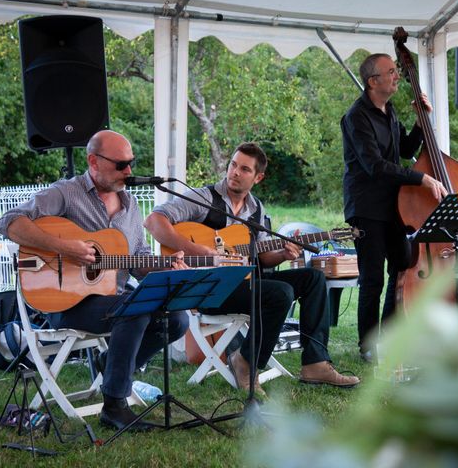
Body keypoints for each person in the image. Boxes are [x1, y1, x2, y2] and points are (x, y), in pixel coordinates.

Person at [0, 130, 189, 431]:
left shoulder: (130, 204)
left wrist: (164, 265)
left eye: (131, 163)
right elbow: (8, 221)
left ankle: (110, 364)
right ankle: (114, 406)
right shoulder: (65, 193)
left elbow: (137, 260)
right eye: (120, 164)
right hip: (66, 303)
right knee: (135, 307)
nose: (128, 171)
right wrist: (63, 247)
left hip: (115, 298)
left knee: (177, 319)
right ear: (93, 161)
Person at [145, 142, 360, 395]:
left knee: (313, 277)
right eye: (233, 165)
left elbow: (261, 257)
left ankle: (315, 362)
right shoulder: (204, 198)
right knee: (279, 293)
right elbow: (153, 221)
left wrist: (282, 253)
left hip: (242, 283)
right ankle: (245, 361)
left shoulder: (256, 210)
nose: (235, 172)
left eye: (244, 169)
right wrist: (197, 250)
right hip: (208, 287)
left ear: (258, 177)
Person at [341, 53, 448, 363]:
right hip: (366, 206)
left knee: (402, 264)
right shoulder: (356, 117)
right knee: (372, 278)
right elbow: (375, 165)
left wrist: (419, 123)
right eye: (390, 72)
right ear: (373, 81)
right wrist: (422, 178)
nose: (397, 76)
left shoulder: (389, 111)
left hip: (393, 205)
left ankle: (388, 333)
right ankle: (368, 345)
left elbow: (403, 150)